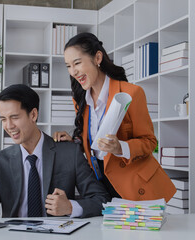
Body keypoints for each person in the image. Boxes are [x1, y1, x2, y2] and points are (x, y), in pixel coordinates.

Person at [53, 32, 176, 202]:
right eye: (68, 66)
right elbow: (93, 143)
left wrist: (121, 148)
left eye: (77, 63)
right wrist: (75, 142)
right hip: (100, 184)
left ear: (97, 58)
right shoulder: (80, 99)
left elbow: (149, 142)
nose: (73, 71)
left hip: (133, 184)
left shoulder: (131, 93)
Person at [0, 84, 110, 218]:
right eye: (3, 119)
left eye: (14, 117)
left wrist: (70, 207)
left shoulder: (69, 153)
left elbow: (101, 199)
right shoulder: (1, 161)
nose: (8, 126)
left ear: (33, 115)